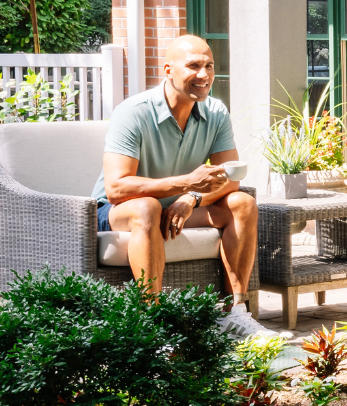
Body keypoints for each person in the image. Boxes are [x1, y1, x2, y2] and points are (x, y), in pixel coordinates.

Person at [93, 34, 258, 308]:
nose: (204, 75)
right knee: (147, 208)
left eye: (209, 66)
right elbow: (116, 188)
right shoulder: (133, 112)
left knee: (243, 203)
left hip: (177, 210)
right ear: (168, 70)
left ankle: (236, 312)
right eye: (193, 66)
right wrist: (186, 183)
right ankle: (154, 321)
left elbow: (231, 180)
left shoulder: (216, 112)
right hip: (119, 212)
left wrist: (189, 198)